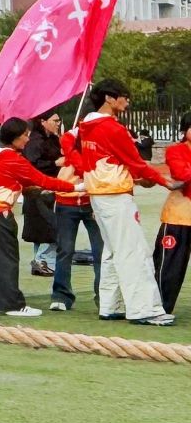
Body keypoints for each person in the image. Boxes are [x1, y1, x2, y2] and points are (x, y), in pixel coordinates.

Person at [75, 79, 176, 325]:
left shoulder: (85, 126)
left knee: (112, 251)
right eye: (124, 96)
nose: (127, 101)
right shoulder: (112, 128)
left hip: (98, 195)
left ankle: (111, 305)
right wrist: (166, 182)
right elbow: (136, 163)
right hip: (115, 195)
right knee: (133, 251)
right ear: (109, 98)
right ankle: (144, 309)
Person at [0, 119, 69, 317]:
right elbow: (42, 179)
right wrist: (76, 187)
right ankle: (12, 304)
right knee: (4, 259)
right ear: (14, 137)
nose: (28, 139)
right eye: (25, 135)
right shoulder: (12, 158)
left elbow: (8, 179)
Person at [48, 125, 102, 315]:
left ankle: (103, 296)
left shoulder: (102, 137)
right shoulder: (70, 136)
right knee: (65, 249)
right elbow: (70, 153)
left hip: (93, 200)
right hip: (66, 200)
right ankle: (61, 295)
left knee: (100, 250)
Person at [154, 116, 191, 314]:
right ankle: (159, 307)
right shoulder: (175, 150)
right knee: (169, 267)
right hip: (179, 216)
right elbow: (180, 173)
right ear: (185, 129)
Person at [21, 113, 64, 278]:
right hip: (38, 191)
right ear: (43, 121)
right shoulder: (34, 141)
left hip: (51, 188)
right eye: (55, 120)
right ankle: (42, 260)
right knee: (48, 227)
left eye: (59, 120)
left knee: (44, 229)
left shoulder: (53, 139)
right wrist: (54, 163)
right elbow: (32, 166)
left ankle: (42, 262)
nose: (58, 123)